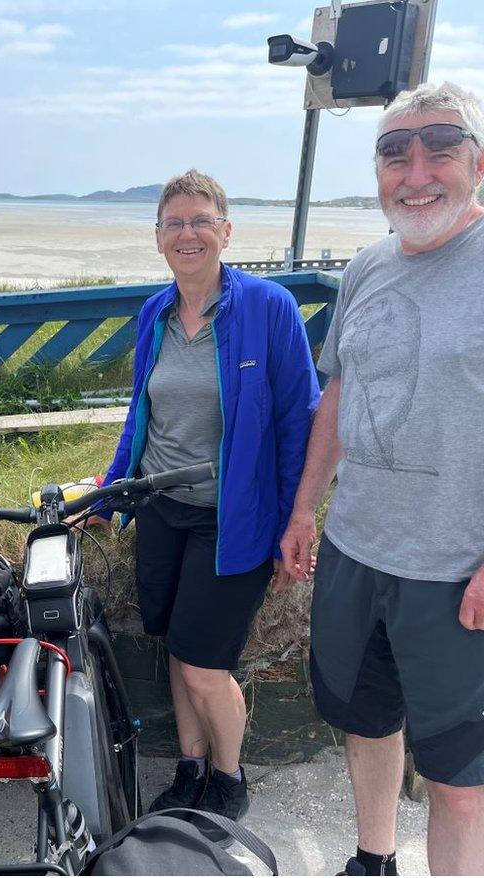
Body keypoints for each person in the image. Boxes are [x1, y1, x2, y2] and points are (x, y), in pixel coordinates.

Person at [280, 81, 484, 877]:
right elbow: (338, 391)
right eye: (395, 152)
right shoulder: (366, 267)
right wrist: (305, 508)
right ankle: (373, 859)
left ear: (478, 162)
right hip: (358, 548)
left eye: (440, 148)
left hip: (453, 570)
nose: (417, 171)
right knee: (364, 722)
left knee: (459, 779)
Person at [95, 169, 318, 832]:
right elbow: (143, 414)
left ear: (225, 230)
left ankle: (229, 778)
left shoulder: (267, 308)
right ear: (159, 237)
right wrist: (108, 493)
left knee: (203, 660)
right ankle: (189, 770)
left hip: (235, 521)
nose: (186, 234)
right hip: (162, 509)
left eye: (200, 221)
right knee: (172, 647)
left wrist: (293, 521)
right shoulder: (154, 313)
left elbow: (297, 424)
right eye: (174, 223)